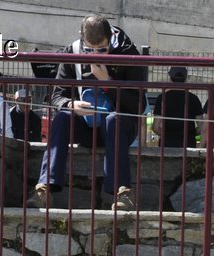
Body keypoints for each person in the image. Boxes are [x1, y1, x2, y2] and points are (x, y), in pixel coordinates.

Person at [32, 13, 145, 210]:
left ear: (110, 38)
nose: (95, 55)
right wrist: (70, 104)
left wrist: (108, 83)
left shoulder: (129, 54)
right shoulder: (72, 52)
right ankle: (44, 189)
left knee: (114, 119)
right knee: (62, 117)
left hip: (118, 128)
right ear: (81, 38)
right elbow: (56, 95)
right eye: (89, 50)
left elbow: (138, 105)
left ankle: (122, 192)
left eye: (101, 49)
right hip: (86, 126)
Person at [151, 65, 201, 148]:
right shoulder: (193, 98)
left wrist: (167, 135)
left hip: (167, 144)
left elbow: (156, 127)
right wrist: (190, 134)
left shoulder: (162, 98)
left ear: (170, 78)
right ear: (186, 79)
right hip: (188, 144)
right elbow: (201, 127)